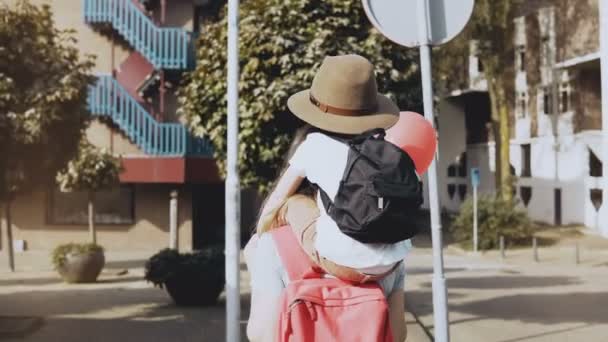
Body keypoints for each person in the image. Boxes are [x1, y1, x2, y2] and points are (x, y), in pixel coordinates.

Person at [246, 54, 409, 342]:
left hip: (328, 255)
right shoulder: (391, 246)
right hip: (387, 260)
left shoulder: (275, 246)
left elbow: (262, 335)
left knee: (293, 206)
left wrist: (259, 240)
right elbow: (397, 335)